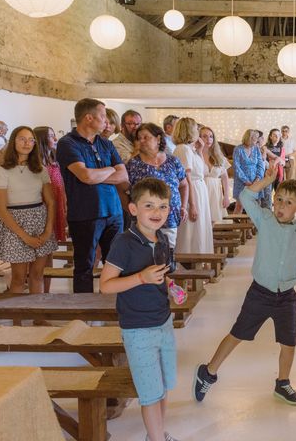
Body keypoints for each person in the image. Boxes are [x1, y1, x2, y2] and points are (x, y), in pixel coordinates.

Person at [192, 164, 296, 406]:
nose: (281, 205)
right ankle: (208, 371)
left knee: (289, 342)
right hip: (259, 294)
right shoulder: (265, 219)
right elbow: (246, 195)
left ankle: (283, 383)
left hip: (287, 296)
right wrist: (268, 179)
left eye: (289, 202)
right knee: (238, 334)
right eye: (278, 199)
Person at [99, 178, 180, 441]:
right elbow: (106, 286)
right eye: (149, 206)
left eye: (162, 207)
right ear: (133, 209)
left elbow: (163, 275)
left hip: (163, 322)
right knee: (150, 392)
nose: (157, 213)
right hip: (137, 329)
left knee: (164, 386)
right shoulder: (124, 242)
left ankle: (158, 434)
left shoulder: (164, 239)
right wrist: (141, 278)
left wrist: (172, 287)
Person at [56, 98, 127, 293]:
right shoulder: (67, 143)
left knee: (116, 264)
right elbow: (85, 176)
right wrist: (110, 169)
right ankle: (84, 312)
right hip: (85, 214)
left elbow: (123, 175)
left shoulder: (105, 143)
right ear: (89, 118)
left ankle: (114, 306)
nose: (106, 121)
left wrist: (99, 174)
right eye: (103, 116)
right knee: (84, 266)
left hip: (113, 212)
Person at [0, 125, 57, 295]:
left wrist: (47, 231)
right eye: (22, 139)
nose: (27, 143)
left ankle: (39, 319)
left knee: (37, 275)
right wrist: (25, 237)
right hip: (15, 224)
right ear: (13, 141)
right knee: (18, 278)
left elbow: (51, 202)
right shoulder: (2, 170)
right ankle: (18, 320)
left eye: (31, 140)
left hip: (39, 220)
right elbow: (1, 208)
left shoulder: (40, 169)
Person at [126, 123, 188, 249]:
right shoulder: (133, 163)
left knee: (168, 252)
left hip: (170, 216)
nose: (141, 141)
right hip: (145, 218)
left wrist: (183, 206)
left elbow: (184, 185)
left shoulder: (173, 161)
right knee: (146, 253)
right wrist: (131, 210)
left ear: (158, 139)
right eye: (139, 138)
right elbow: (124, 190)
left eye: (146, 137)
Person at [172, 118, 213, 255]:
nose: (197, 131)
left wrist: (200, 151)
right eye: (196, 128)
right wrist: (192, 204)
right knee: (191, 231)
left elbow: (203, 171)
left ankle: (201, 259)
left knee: (200, 229)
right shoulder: (183, 149)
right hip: (192, 191)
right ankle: (189, 262)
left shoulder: (191, 150)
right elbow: (186, 178)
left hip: (199, 189)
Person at [34, 127, 67, 293]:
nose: (54, 138)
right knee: (40, 255)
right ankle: (37, 292)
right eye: (50, 136)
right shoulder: (36, 163)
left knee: (49, 254)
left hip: (56, 209)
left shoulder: (53, 158)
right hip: (42, 211)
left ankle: (46, 292)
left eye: (54, 135)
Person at [199, 126, 231, 224]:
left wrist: (226, 196)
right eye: (204, 136)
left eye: (211, 136)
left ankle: (210, 239)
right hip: (200, 190)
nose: (208, 139)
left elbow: (225, 178)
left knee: (212, 220)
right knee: (201, 220)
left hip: (215, 192)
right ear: (199, 138)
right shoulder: (194, 154)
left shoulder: (218, 156)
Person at [232, 129, 265, 214]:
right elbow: (236, 167)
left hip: (255, 180)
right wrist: (246, 181)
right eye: (255, 139)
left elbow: (260, 164)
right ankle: (235, 226)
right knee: (240, 205)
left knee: (255, 205)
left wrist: (258, 178)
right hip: (242, 182)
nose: (257, 141)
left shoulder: (256, 149)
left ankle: (252, 226)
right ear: (249, 138)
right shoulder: (238, 149)